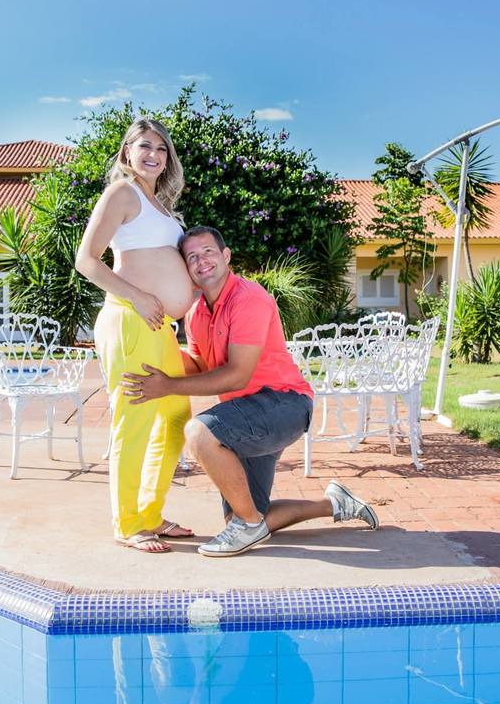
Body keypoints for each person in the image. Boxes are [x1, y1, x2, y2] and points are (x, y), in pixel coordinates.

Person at [122, 226, 378, 557]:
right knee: (243, 515)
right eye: (192, 256)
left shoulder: (249, 298)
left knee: (199, 433)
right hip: (244, 416)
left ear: (226, 255)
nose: (201, 261)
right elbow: (200, 365)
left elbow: (237, 376)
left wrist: (167, 387)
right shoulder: (196, 313)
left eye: (208, 252)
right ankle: (335, 503)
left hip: (284, 404)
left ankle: (249, 525)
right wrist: (158, 346)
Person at [75, 118, 196, 553]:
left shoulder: (158, 203)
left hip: (159, 328)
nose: (153, 155)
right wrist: (139, 297)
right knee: (135, 420)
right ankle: (127, 524)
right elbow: (86, 260)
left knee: (175, 417)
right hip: (130, 318)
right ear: (127, 151)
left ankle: (149, 513)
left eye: (161, 149)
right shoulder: (121, 193)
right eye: (145, 146)